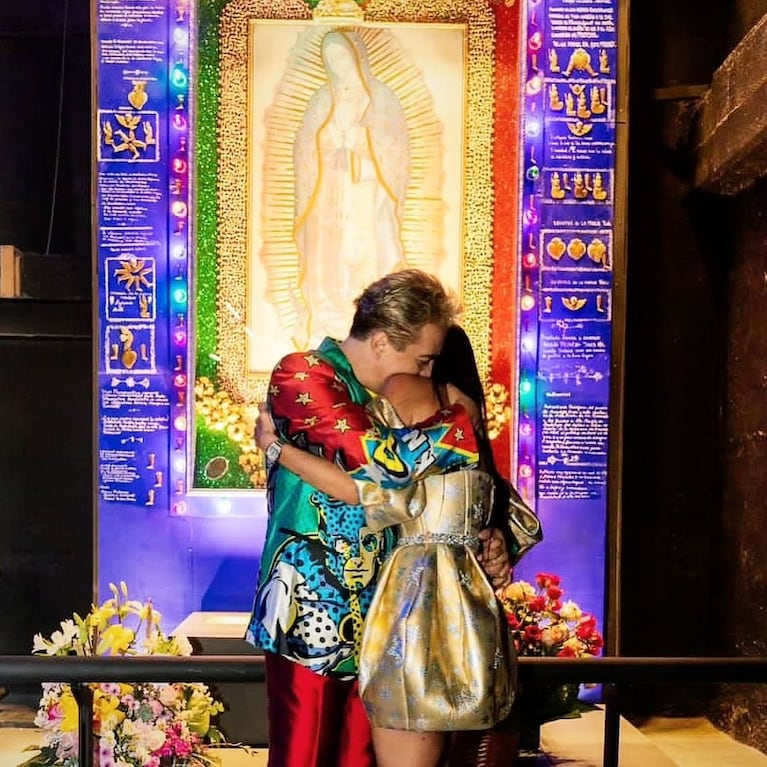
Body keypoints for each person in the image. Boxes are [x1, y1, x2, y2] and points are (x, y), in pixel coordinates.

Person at [246, 270, 511, 767]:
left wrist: (488, 535)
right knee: (305, 758)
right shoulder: (303, 374)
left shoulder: (390, 399)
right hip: (312, 610)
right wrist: (458, 423)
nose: (428, 374)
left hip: (387, 617)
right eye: (423, 359)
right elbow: (379, 465)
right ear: (385, 341)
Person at [292, 29, 411, 345]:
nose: (337, 64)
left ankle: (367, 319)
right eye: (330, 59)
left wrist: (363, 142)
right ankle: (329, 315)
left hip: (367, 190)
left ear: (357, 56)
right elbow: (304, 146)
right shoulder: (322, 100)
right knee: (330, 253)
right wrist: (326, 142)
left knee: (363, 249)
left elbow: (396, 149)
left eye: (342, 56)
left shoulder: (380, 98)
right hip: (329, 189)